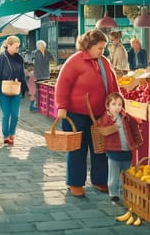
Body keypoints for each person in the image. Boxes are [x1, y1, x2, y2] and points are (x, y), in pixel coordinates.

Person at [55, 29, 120, 197]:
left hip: (100, 115)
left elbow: (113, 85)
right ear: (89, 46)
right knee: (77, 150)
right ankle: (75, 183)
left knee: (100, 149)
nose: (102, 51)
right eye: (99, 47)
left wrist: (118, 105)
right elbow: (63, 84)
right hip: (75, 115)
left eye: (103, 47)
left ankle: (100, 179)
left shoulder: (104, 62)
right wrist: (61, 106)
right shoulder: (74, 61)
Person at [98, 92, 143, 204]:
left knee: (127, 174)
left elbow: (135, 129)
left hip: (126, 151)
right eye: (113, 104)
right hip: (113, 152)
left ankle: (126, 191)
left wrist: (137, 141)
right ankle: (113, 194)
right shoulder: (107, 118)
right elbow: (101, 128)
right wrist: (111, 125)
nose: (117, 107)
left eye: (119, 104)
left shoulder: (126, 118)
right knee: (113, 175)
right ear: (107, 106)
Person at [0, 36, 28, 146]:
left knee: (15, 115)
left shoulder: (19, 58)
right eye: (16, 47)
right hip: (4, 90)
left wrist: (27, 90)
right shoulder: (1, 58)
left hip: (16, 90)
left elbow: (22, 75)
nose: (17, 49)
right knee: (6, 114)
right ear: (9, 45)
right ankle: (6, 135)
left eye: (18, 47)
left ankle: (12, 133)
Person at [33, 40, 54, 111]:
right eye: (40, 46)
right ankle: (37, 104)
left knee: (45, 90)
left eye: (42, 45)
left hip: (46, 74)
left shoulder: (48, 53)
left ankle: (45, 104)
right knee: (38, 89)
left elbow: (52, 61)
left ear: (45, 46)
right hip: (38, 74)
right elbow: (32, 63)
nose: (41, 47)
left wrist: (52, 64)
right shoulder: (35, 53)